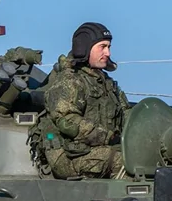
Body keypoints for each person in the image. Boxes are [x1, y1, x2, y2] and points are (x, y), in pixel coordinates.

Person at [30, 21, 130, 179]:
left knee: (148, 160)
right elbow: (67, 120)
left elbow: (126, 114)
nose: (108, 53)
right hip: (69, 156)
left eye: (109, 47)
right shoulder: (70, 81)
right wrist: (107, 137)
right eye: (102, 47)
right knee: (124, 161)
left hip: (93, 150)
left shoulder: (106, 83)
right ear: (84, 48)